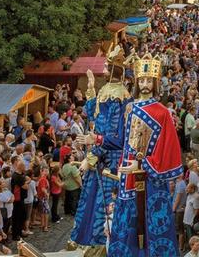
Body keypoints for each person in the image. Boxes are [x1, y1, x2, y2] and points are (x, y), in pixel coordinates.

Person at [109, 53, 184, 257]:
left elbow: (168, 148)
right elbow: (121, 140)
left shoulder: (162, 112)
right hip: (127, 173)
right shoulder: (129, 108)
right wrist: (97, 140)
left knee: (150, 218)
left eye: (148, 80)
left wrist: (142, 166)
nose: (144, 84)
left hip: (150, 175)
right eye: (141, 80)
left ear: (155, 82)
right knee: (128, 217)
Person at [71, 46, 130, 250]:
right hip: (102, 155)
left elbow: (116, 136)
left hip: (110, 161)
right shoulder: (108, 90)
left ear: (114, 69)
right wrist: (91, 87)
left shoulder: (119, 95)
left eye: (107, 65)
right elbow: (94, 113)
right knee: (93, 199)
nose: (104, 68)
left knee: (102, 204)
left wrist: (94, 146)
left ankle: (101, 243)